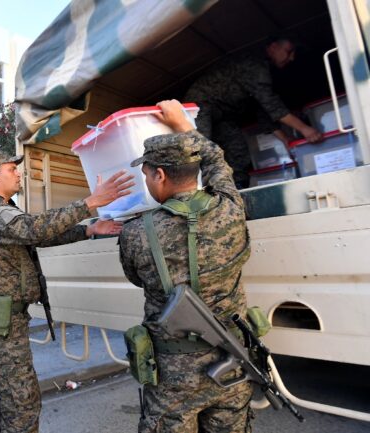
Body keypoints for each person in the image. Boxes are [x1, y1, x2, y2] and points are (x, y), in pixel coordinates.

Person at [0, 150, 134, 433]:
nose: (19, 173)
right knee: (22, 401)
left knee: (1, 391)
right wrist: (91, 202)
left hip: (1, 317)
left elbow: (38, 235)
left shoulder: (3, 209)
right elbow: (33, 229)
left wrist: (88, 231)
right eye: (11, 169)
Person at [119, 100, 253, 432]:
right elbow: (216, 159)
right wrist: (183, 125)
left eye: (146, 173)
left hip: (172, 376)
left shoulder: (136, 232)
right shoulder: (232, 208)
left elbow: (136, 278)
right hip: (232, 362)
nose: (147, 181)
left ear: (160, 174)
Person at [184, 34, 322, 188]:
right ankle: (197, 194)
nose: (291, 57)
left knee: (238, 151)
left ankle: (238, 191)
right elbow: (271, 104)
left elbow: (263, 110)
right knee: (201, 150)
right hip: (200, 105)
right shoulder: (254, 64)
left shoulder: (265, 70)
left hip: (223, 114)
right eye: (289, 51)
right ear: (273, 47)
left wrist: (285, 139)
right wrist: (305, 129)